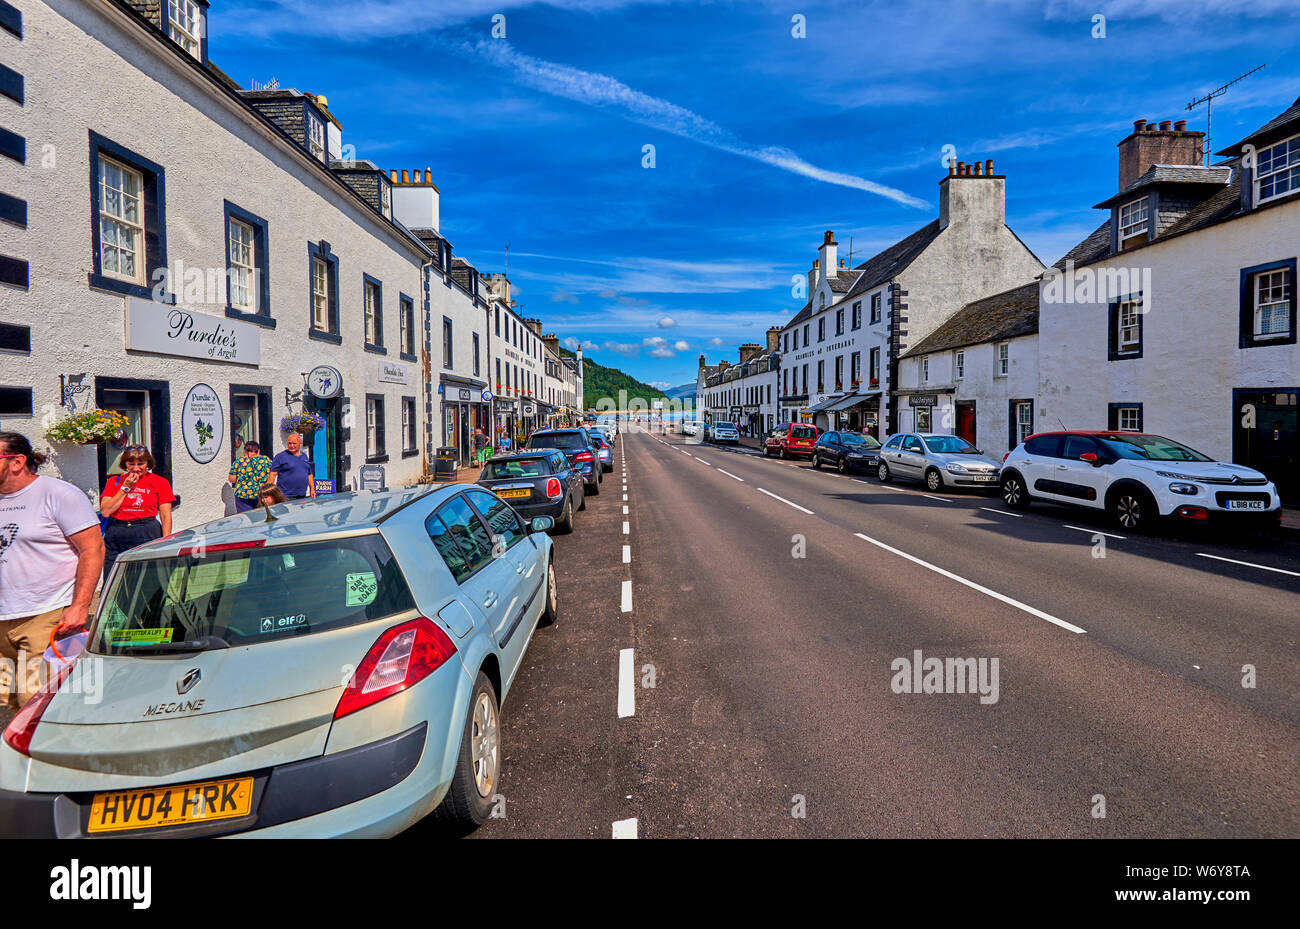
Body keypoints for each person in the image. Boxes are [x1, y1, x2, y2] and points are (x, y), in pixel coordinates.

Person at [0, 432, 104, 708]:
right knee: (10, 701)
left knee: (35, 702)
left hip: (44, 614)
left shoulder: (58, 494)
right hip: (3, 618)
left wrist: (81, 606)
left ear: (17, 461)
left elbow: (93, 549)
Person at [100, 445, 175, 582]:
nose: (136, 468)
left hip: (146, 529)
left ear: (148, 463)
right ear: (125, 464)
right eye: (131, 464)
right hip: (118, 530)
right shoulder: (115, 482)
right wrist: (124, 489)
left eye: (141, 464)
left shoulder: (159, 482)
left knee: (148, 577)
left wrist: (166, 541)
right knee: (113, 577)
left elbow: (165, 515)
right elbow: (106, 511)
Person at [269, 432, 316, 500]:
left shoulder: (304, 457)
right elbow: (272, 475)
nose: (291, 445)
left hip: (302, 496)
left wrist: (312, 489)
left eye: (294, 443)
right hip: (285, 496)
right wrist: (268, 494)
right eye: (289, 443)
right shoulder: (280, 457)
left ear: (300, 443)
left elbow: (309, 474)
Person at [228, 440, 271, 512]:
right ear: (258, 450)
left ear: (245, 451)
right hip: (261, 494)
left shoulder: (239, 462)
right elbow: (272, 474)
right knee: (261, 516)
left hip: (243, 495)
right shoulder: (266, 460)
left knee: (245, 517)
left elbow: (232, 479)